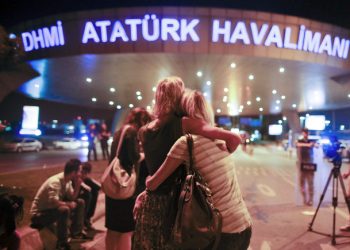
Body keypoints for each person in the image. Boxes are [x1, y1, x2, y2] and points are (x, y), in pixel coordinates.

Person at [132, 77, 242, 250]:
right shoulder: (183, 123)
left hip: (152, 201)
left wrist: (145, 191)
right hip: (177, 204)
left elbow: (152, 169)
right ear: (178, 96)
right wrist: (222, 154)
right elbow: (232, 137)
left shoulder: (144, 131)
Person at [105, 107, 153, 250]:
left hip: (114, 184)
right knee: (126, 230)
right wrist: (143, 155)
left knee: (112, 229)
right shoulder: (131, 132)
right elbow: (134, 157)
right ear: (142, 120)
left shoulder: (119, 131)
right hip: (125, 186)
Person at [30, 159, 89, 250]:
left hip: (50, 210)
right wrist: (68, 204)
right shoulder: (55, 181)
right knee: (64, 209)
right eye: (79, 171)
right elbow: (53, 201)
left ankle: (76, 233)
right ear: (73, 172)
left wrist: (77, 186)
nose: (80, 174)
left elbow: (72, 197)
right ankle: (62, 243)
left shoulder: (67, 181)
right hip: (38, 215)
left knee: (80, 202)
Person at [296, 128, 316, 206]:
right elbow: (297, 144)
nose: (306, 134)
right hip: (302, 164)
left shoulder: (311, 141)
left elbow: (317, 146)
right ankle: (304, 198)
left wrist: (313, 145)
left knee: (311, 183)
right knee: (302, 183)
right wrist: (308, 145)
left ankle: (310, 199)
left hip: (310, 165)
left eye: (307, 132)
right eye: (304, 132)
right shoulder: (300, 141)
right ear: (302, 133)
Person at [78, 162, 101, 230]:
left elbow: (99, 187)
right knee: (88, 194)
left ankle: (87, 218)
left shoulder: (86, 179)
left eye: (85, 173)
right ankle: (84, 220)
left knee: (95, 192)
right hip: (73, 196)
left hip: (79, 193)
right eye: (82, 172)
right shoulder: (77, 178)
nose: (82, 175)